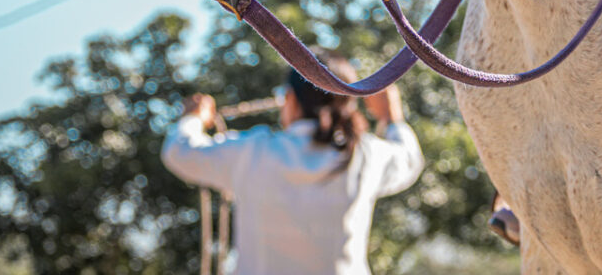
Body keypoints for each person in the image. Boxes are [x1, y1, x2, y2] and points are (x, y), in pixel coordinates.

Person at [163, 59, 425, 275]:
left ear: (289, 99)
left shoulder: (252, 152)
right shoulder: (365, 155)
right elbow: (409, 159)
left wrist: (193, 118)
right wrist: (391, 118)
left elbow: (180, 151)